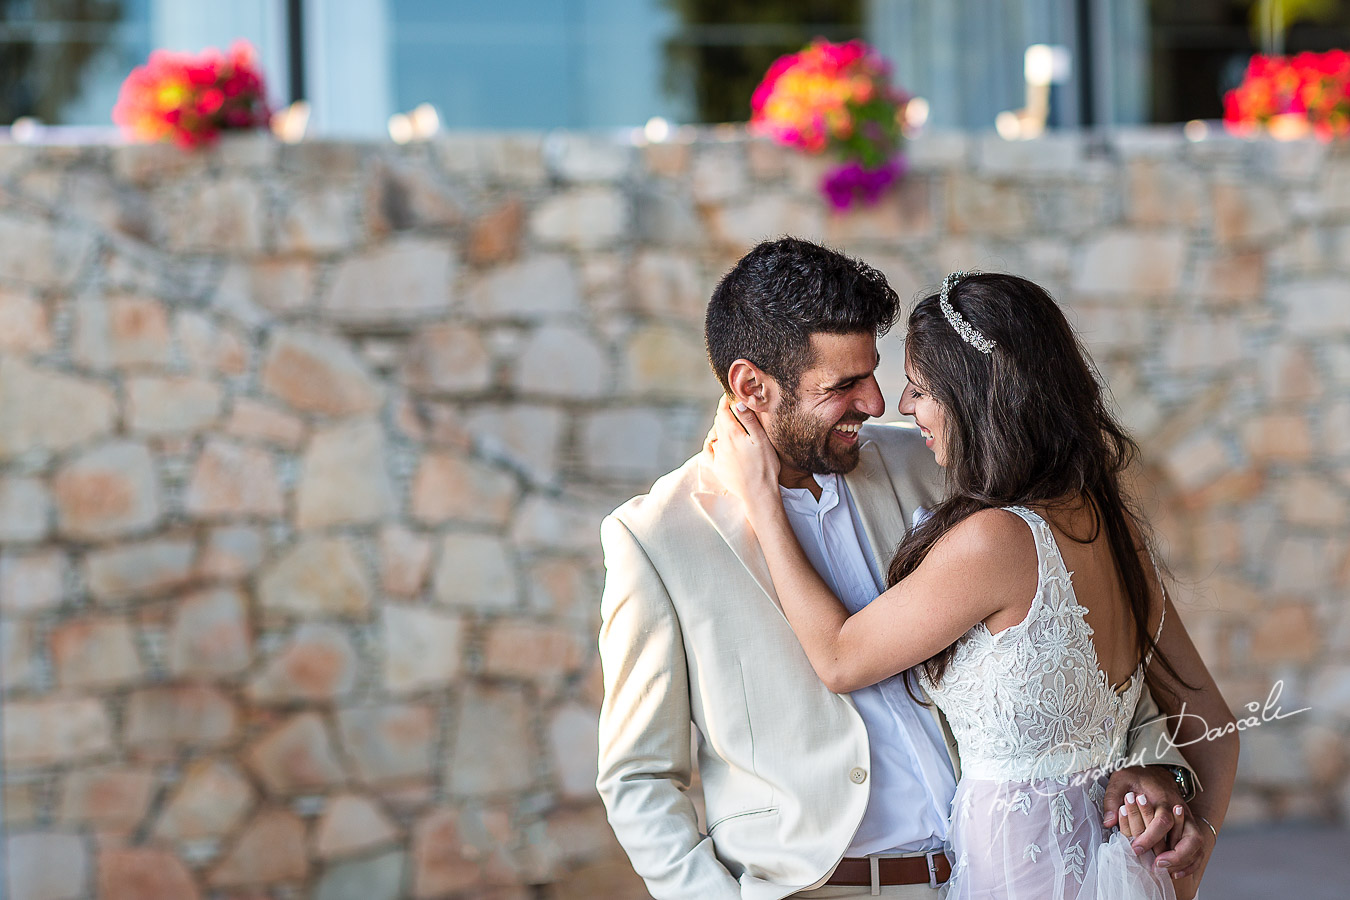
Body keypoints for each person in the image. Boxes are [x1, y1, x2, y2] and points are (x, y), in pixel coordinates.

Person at [597, 238, 1218, 900]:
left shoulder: (937, 457)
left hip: (988, 875)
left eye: (872, 371)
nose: (875, 402)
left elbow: (1081, 660)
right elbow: (638, 778)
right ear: (753, 386)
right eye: (842, 385)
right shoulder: (657, 537)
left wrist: (1162, 771)